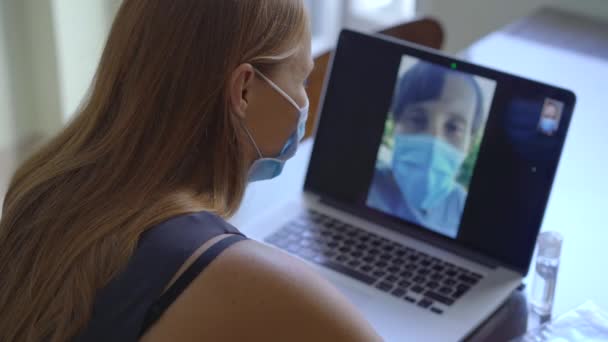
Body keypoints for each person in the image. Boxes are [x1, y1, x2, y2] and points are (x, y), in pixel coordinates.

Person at [0, 1, 381, 341]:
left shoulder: (39, 183)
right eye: (300, 80)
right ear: (244, 89)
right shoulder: (239, 274)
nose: (303, 102)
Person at [367, 61, 484, 238]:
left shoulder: (467, 213)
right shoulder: (367, 185)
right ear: (395, 124)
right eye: (417, 120)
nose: (434, 140)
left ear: (470, 143)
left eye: (453, 128)